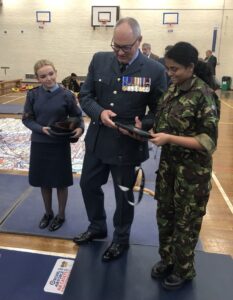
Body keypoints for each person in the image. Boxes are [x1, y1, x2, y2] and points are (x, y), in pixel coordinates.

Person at [73, 17, 167, 261]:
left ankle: (120, 239)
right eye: (116, 46)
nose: (120, 52)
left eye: (126, 47)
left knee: (123, 195)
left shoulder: (155, 70)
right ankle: (97, 227)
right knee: (88, 186)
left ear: (139, 41)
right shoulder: (100, 59)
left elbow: (161, 110)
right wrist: (99, 112)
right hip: (98, 139)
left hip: (128, 145)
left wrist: (143, 125)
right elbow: (85, 96)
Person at [149, 42, 220, 290]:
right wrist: (152, 131)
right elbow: (165, 123)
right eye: (168, 69)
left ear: (190, 67)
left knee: (186, 224)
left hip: (192, 175)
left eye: (175, 69)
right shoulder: (172, 90)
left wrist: (169, 139)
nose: (170, 73)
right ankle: (167, 259)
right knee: (165, 217)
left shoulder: (205, 95)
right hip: (169, 170)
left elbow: (207, 141)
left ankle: (183, 269)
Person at [22, 59, 84, 231]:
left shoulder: (67, 95)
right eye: (43, 76)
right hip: (40, 144)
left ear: (56, 72)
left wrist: (80, 129)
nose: (48, 78)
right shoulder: (33, 95)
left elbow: (78, 117)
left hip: (59, 144)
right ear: (37, 78)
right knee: (44, 182)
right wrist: (41, 129)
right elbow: (27, 119)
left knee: (61, 182)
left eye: (51, 74)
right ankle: (48, 213)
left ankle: (61, 215)